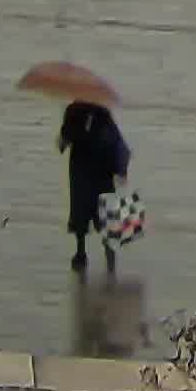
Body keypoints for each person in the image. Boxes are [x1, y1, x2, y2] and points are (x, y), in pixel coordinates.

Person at [58, 100, 131, 274]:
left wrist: (66, 139)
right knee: (106, 213)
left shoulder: (73, 110)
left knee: (80, 211)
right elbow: (116, 141)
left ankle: (81, 253)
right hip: (102, 172)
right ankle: (110, 259)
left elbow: (64, 141)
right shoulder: (103, 113)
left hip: (81, 172)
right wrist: (121, 170)